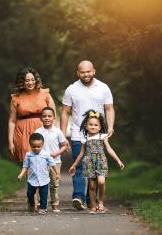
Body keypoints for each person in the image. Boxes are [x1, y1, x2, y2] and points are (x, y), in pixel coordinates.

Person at [60, 60, 115, 210]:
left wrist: (110, 127)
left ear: (94, 71)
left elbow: (109, 108)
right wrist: (63, 135)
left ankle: (92, 201)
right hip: (78, 135)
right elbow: (65, 112)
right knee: (79, 167)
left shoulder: (103, 88)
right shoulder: (71, 89)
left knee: (95, 170)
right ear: (78, 73)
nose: (86, 74)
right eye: (83, 72)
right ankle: (78, 196)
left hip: (98, 135)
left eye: (88, 71)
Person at [69, 110, 124, 213]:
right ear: (86, 126)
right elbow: (81, 154)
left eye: (95, 125)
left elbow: (109, 149)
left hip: (100, 162)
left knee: (101, 182)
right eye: (90, 125)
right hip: (89, 163)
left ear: (99, 127)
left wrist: (118, 160)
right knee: (91, 185)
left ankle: (101, 202)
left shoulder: (102, 137)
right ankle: (93, 205)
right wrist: (74, 165)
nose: (93, 127)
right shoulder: (85, 139)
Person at [8, 67, 56, 162]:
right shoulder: (16, 98)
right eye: (27, 80)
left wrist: (53, 134)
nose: (30, 83)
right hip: (22, 133)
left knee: (45, 161)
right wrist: (10, 142)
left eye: (32, 80)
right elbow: (12, 121)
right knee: (28, 162)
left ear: (36, 80)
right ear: (22, 82)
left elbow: (53, 116)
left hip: (42, 130)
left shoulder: (45, 93)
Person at [18, 133, 61, 215]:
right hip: (32, 179)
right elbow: (25, 166)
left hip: (44, 179)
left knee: (43, 194)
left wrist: (57, 173)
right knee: (29, 193)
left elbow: (53, 164)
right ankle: (31, 203)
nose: (36, 149)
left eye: (39, 147)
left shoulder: (46, 154)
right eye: (34, 147)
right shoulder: (28, 155)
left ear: (42, 145)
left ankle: (43, 208)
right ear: (30, 145)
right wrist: (21, 174)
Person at [34, 107, 67, 212]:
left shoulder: (57, 132)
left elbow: (64, 146)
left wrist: (56, 153)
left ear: (54, 118)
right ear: (41, 118)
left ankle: (55, 204)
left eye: (49, 116)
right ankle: (41, 203)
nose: (47, 118)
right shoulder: (38, 131)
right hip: (41, 162)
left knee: (54, 184)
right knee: (41, 184)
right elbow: (34, 146)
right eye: (44, 116)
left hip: (55, 162)